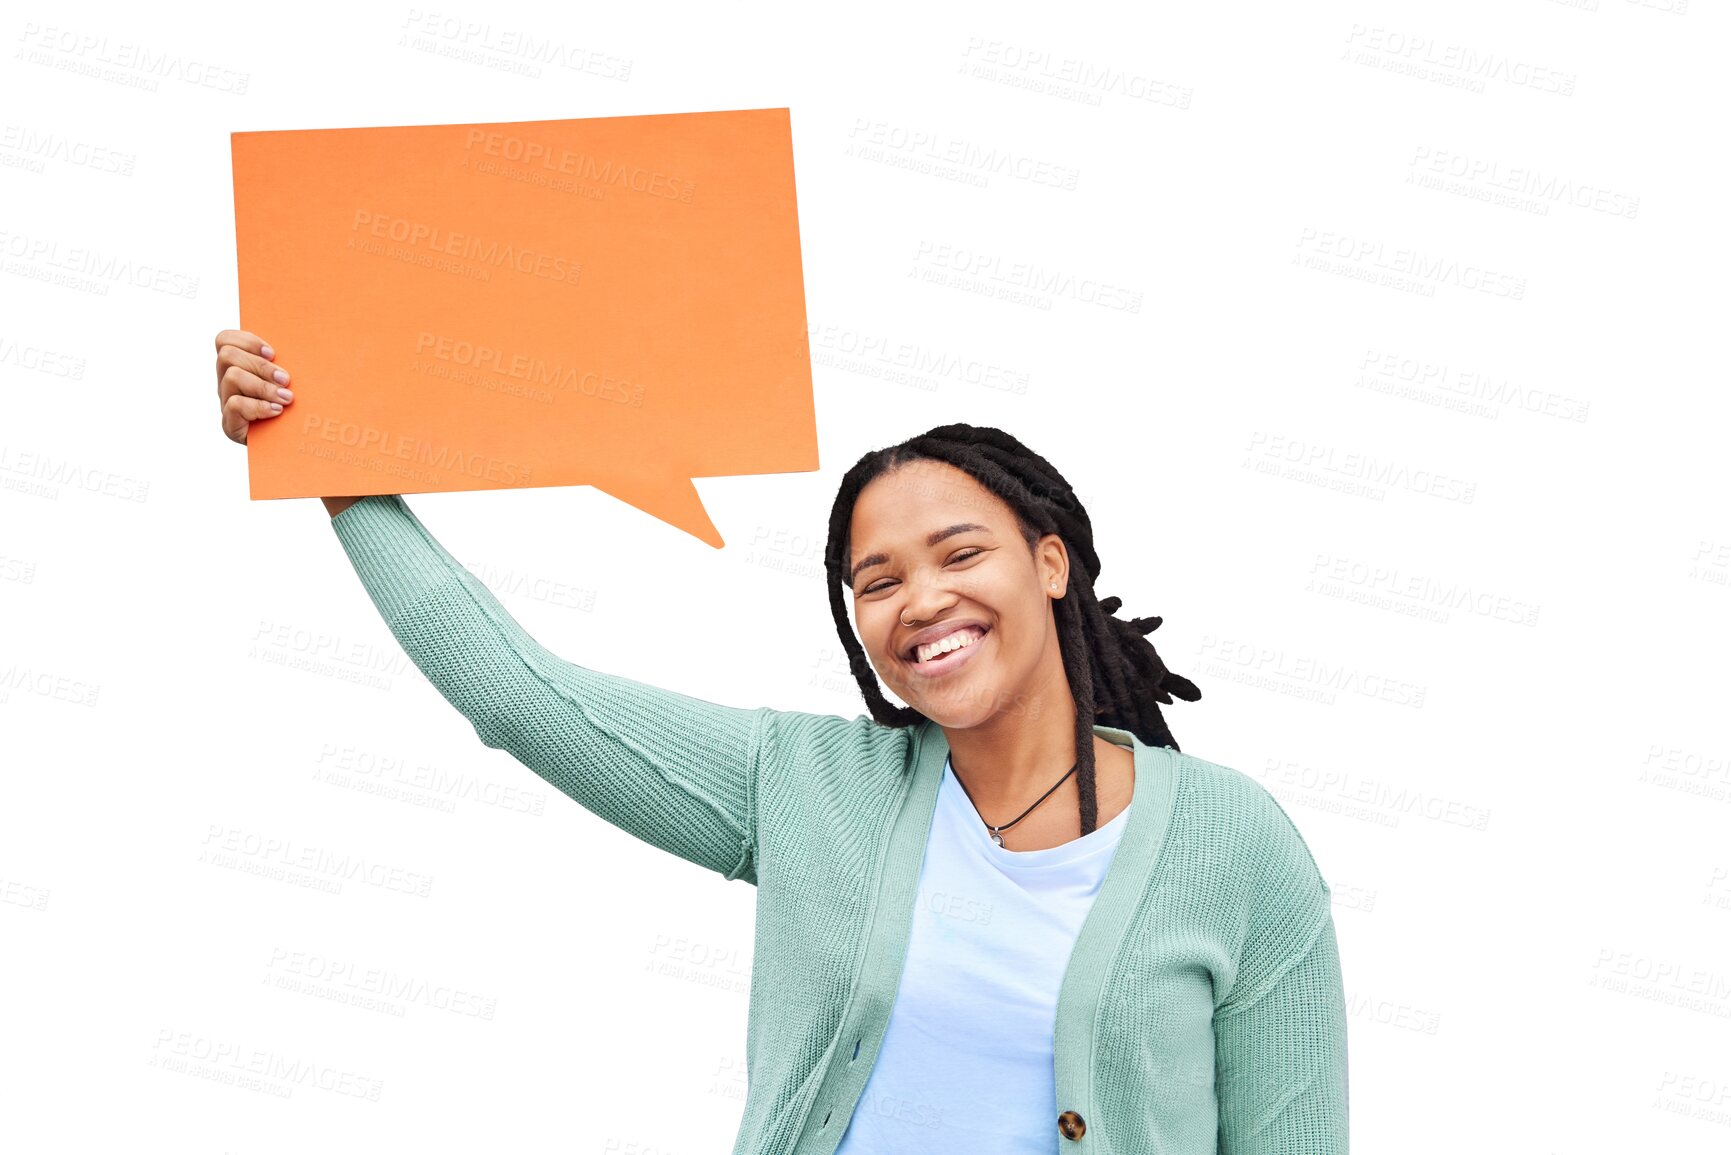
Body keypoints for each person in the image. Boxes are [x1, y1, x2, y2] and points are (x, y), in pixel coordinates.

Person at [214, 329, 1350, 1153]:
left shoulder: (1232, 844)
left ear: (1050, 564)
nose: (922, 601)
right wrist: (334, 467)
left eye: (961, 555)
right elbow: (524, 699)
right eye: (879, 580)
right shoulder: (806, 786)